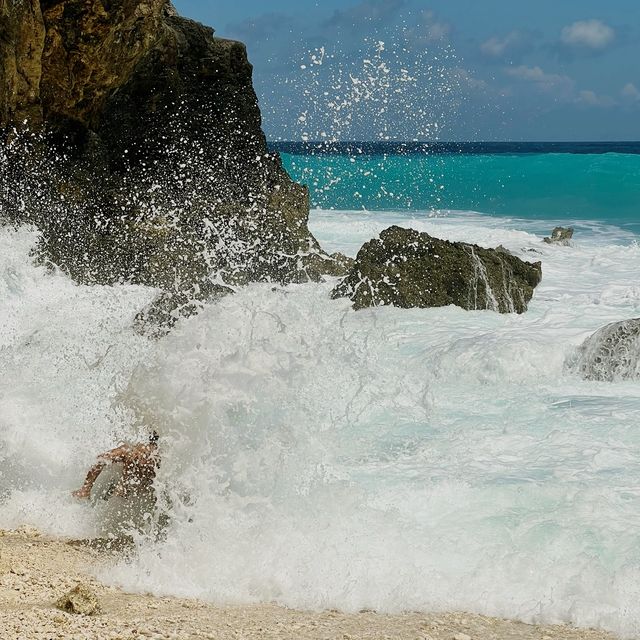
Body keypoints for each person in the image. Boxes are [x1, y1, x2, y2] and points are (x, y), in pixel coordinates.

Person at [73, 431, 160, 500]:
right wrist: (86, 489)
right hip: (124, 491)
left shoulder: (157, 461)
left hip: (144, 493)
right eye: (144, 453)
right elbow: (101, 460)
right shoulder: (128, 451)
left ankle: (123, 488)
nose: (144, 460)